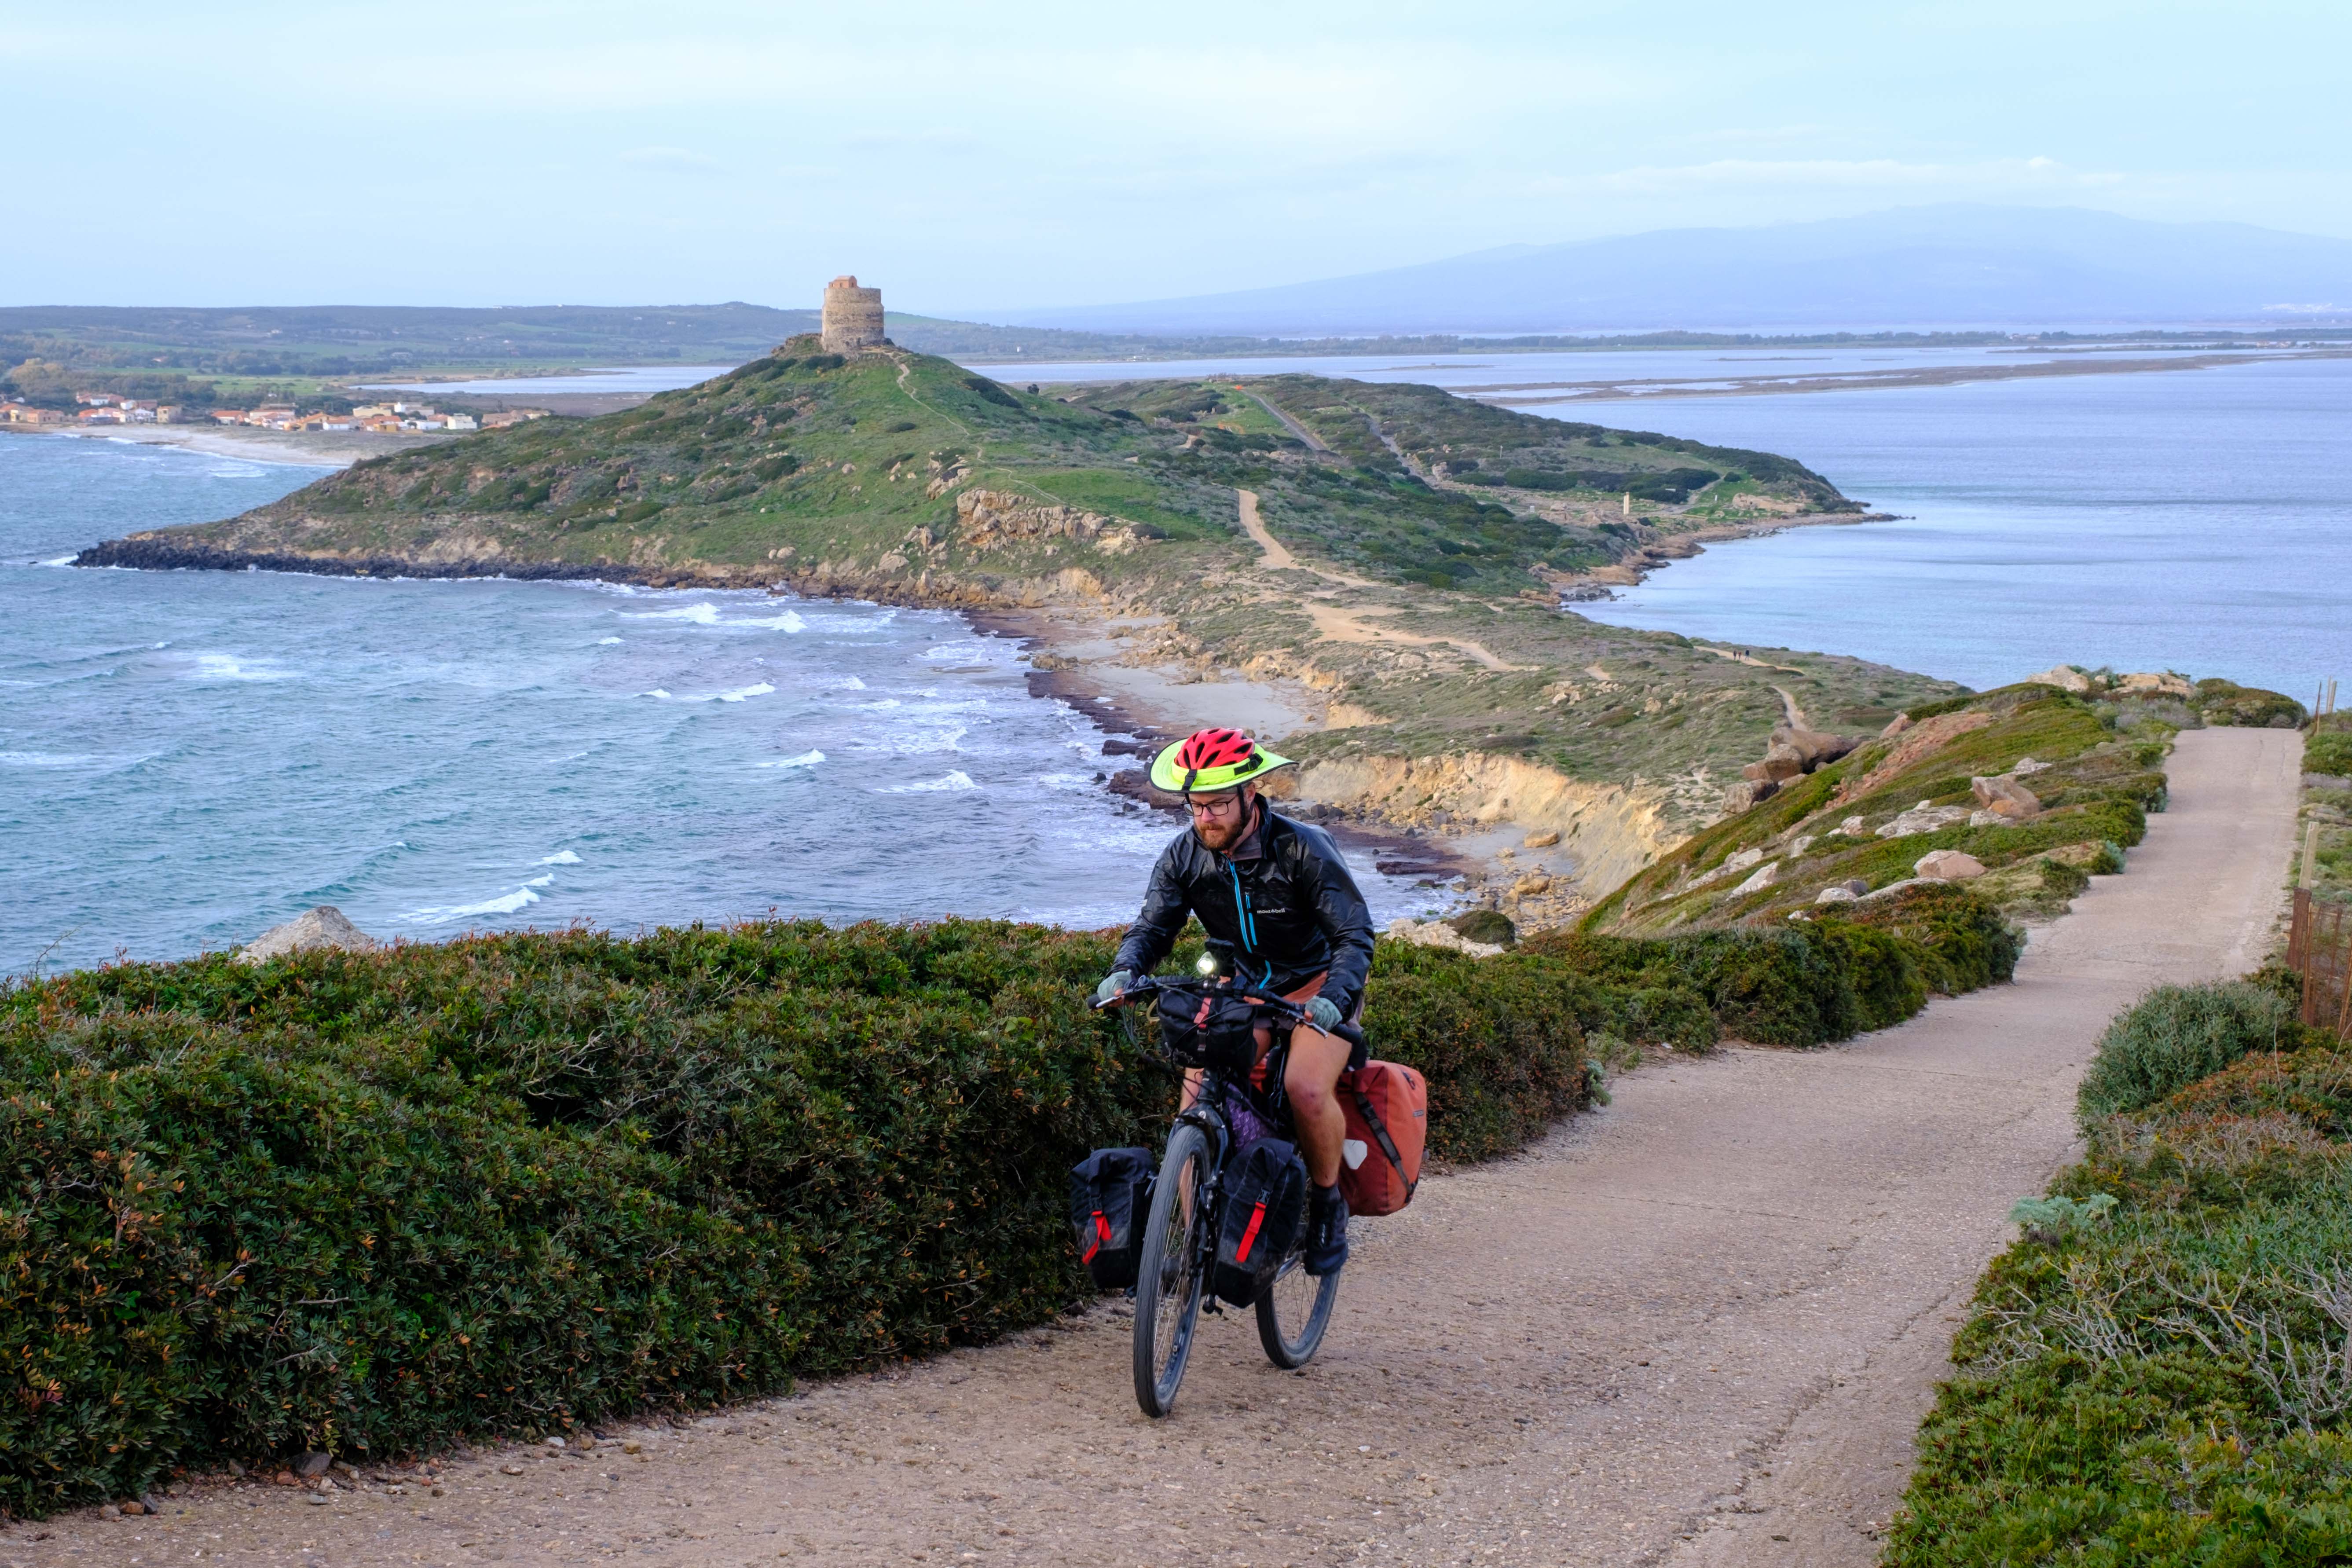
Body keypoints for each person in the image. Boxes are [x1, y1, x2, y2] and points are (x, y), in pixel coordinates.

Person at [1092, 726, 1375, 1275]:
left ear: (1251, 795)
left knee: (1304, 1087)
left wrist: (1335, 999)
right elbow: (1153, 926)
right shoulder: (1184, 855)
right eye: (1195, 807)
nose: (1206, 819)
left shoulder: (1301, 848)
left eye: (1219, 805)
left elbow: (1354, 935)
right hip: (1243, 987)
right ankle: (1195, 1238)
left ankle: (1326, 1205)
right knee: (1195, 1095)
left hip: (1315, 986)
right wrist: (1125, 971)